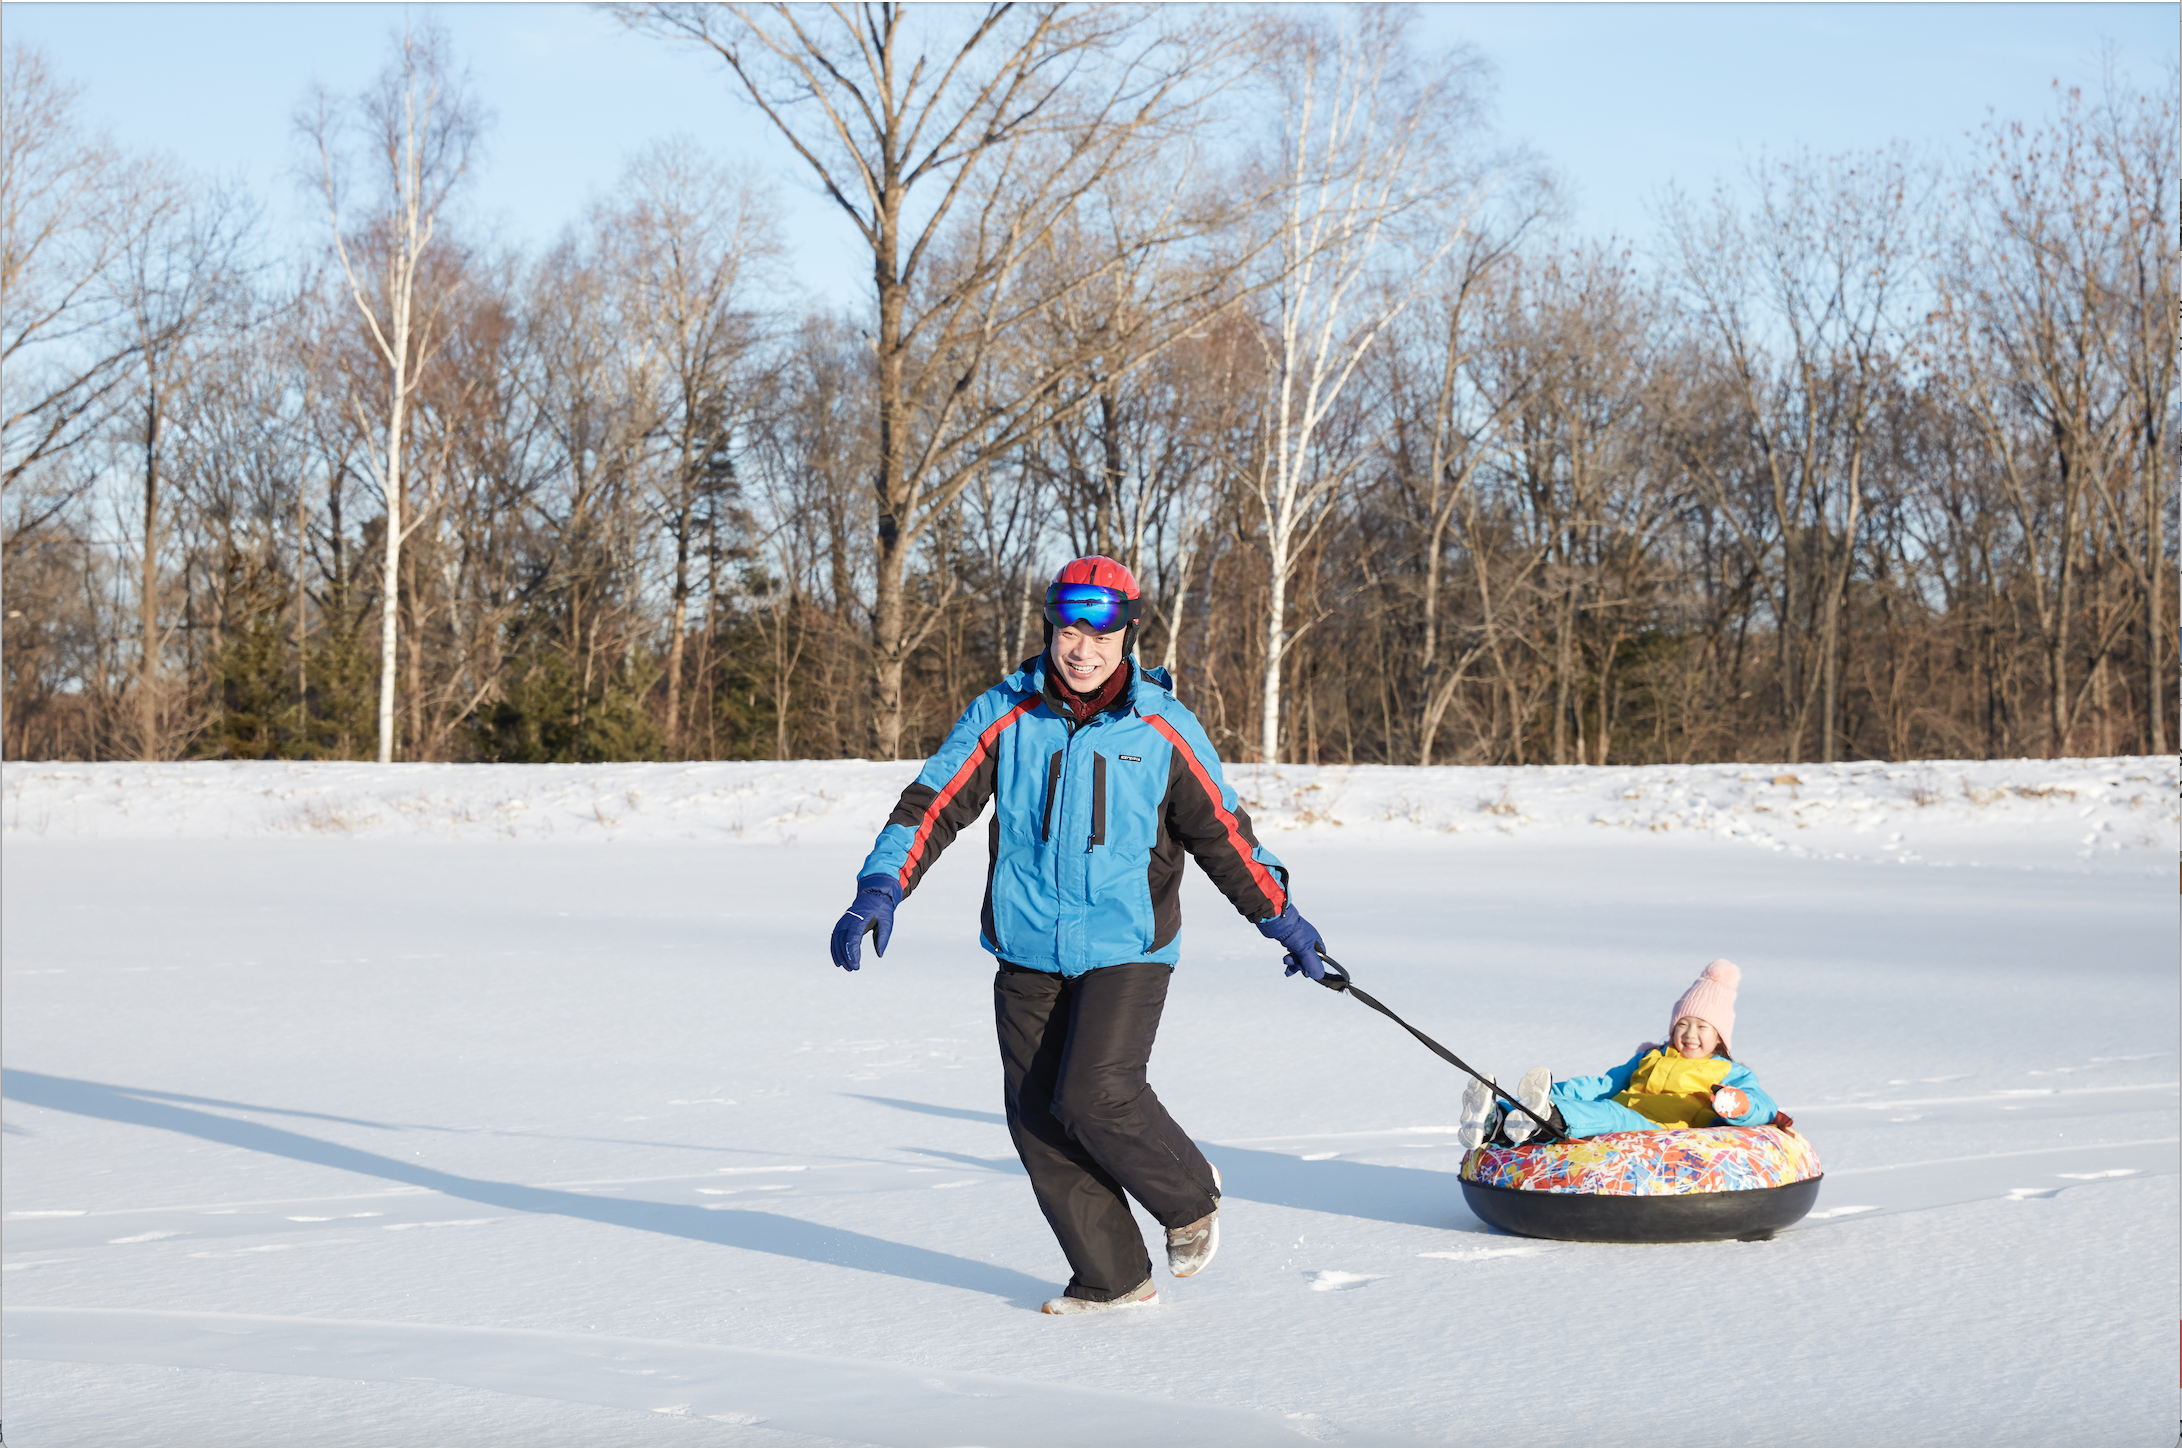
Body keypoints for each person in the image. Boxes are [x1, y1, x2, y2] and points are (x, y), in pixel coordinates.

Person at [828, 556, 1328, 1314]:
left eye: (1100, 634)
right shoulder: (1005, 711)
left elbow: (1224, 834)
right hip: (1026, 946)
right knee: (1036, 1117)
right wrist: (880, 885)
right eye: (1068, 630)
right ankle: (1112, 1275)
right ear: (1050, 630)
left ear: (1128, 635)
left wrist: (1282, 919)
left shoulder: (1161, 727)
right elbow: (932, 803)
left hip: (1127, 946)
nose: (1082, 650)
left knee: (1096, 1096)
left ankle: (1190, 1195)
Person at [1459, 958, 1778, 1149]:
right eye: (1682, 1024)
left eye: (1702, 1027)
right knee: (1592, 1104)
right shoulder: (1652, 1057)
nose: (1689, 1035)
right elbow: (1604, 1084)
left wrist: (1739, 1104)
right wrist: (1556, 1092)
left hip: (1662, 1129)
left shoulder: (1727, 1072)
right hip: (1623, 1109)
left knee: (1610, 1115)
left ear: (1720, 1035)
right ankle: (1496, 1117)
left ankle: (1545, 1117)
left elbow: (1765, 1107)